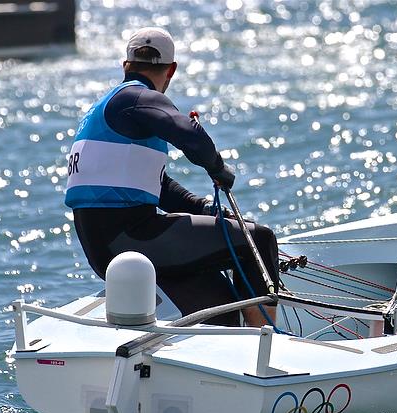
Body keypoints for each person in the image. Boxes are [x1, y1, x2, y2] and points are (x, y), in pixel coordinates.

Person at [64, 27, 278, 327]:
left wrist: (203, 208)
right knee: (257, 240)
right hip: (133, 238)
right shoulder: (135, 98)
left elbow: (157, 187)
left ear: (125, 65)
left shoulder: (103, 111)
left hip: (103, 250)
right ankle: (268, 344)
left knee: (221, 300)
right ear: (171, 70)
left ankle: (227, 354)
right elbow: (190, 136)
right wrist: (217, 168)